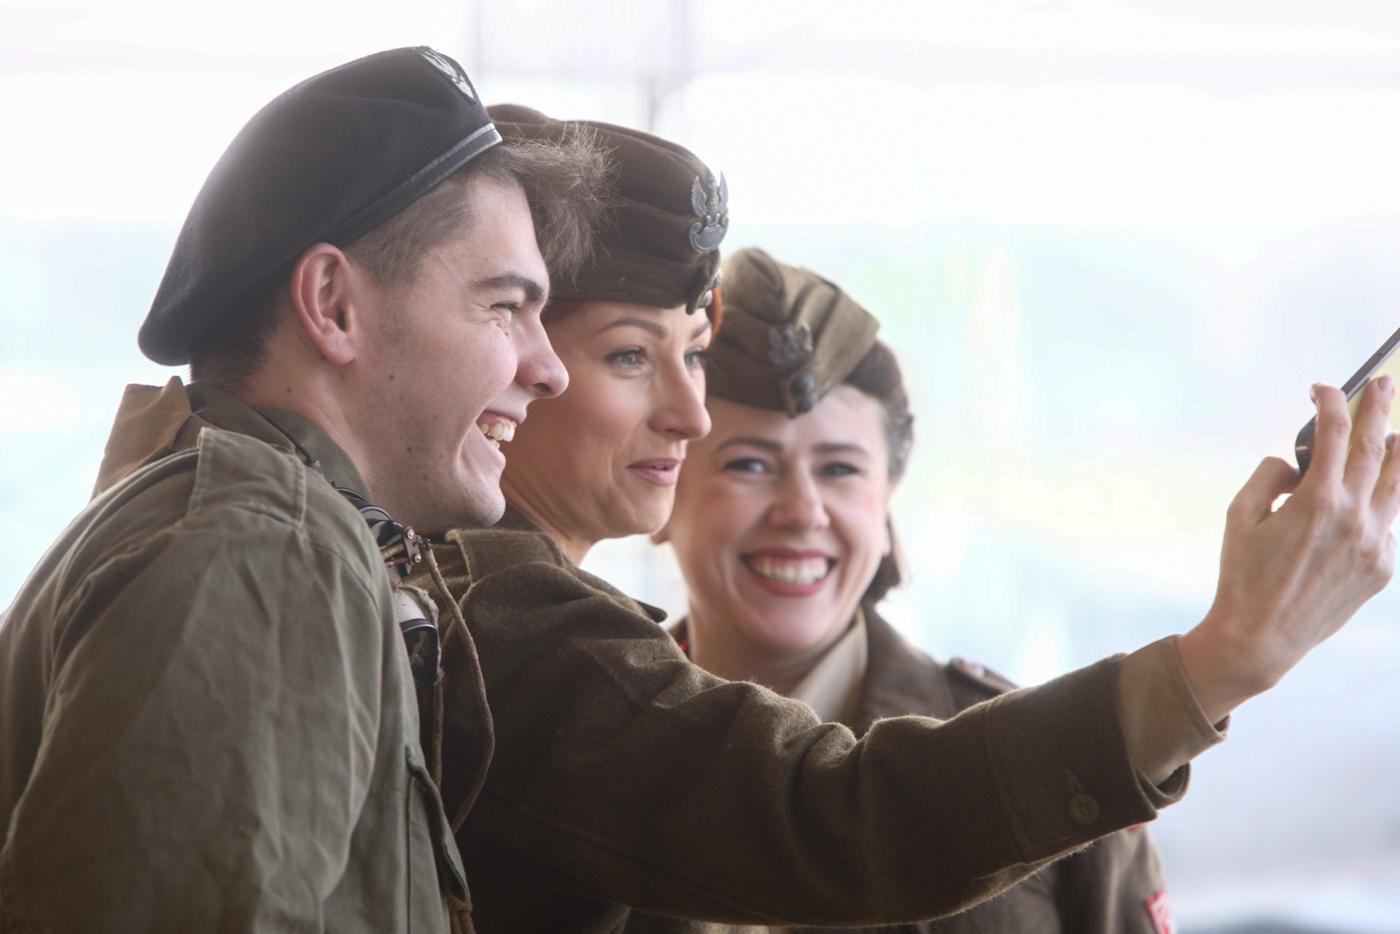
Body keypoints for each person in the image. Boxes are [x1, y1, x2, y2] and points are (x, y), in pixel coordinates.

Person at [408, 108, 1400, 933]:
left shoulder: (1037, 752)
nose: (689, 413)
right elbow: (836, 817)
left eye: (841, 468)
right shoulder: (519, 638)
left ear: (889, 503)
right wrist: (1227, 654)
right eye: (630, 354)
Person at [0, 48, 606, 932]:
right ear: (333, 305)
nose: (548, 369)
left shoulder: (245, 526)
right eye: (504, 306)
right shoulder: (263, 548)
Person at [653, 245, 1171, 933]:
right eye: (748, 464)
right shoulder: (587, 749)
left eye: (840, 469)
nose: (801, 511)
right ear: (659, 489)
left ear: (887, 499)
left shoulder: (1056, 767)